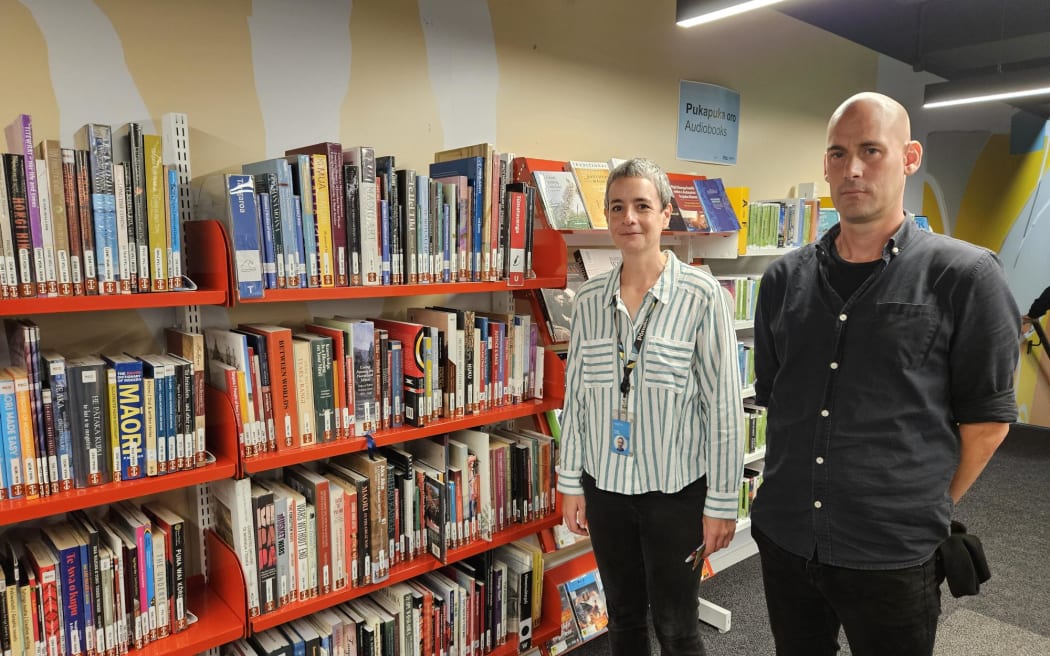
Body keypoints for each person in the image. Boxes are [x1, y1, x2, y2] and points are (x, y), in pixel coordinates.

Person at [751, 92, 1020, 656]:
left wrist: (921, 505)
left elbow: (987, 423)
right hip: (786, 537)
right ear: (826, 165)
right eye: (839, 153)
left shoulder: (964, 276)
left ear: (909, 157)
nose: (852, 169)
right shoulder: (783, 280)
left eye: (871, 150)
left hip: (892, 553)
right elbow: (779, 400)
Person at [557, 158, 745, 655]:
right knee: (621, 619)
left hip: (675, 494)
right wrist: (570, 482)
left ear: (665, 214)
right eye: (617, 207)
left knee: (676, 626)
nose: (629, 218)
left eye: (642, 206)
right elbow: (577, 399)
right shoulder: (589, 300)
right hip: (605, 489)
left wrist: (722, 503)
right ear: (607, 216)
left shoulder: (702, 296)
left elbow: (724, 408)